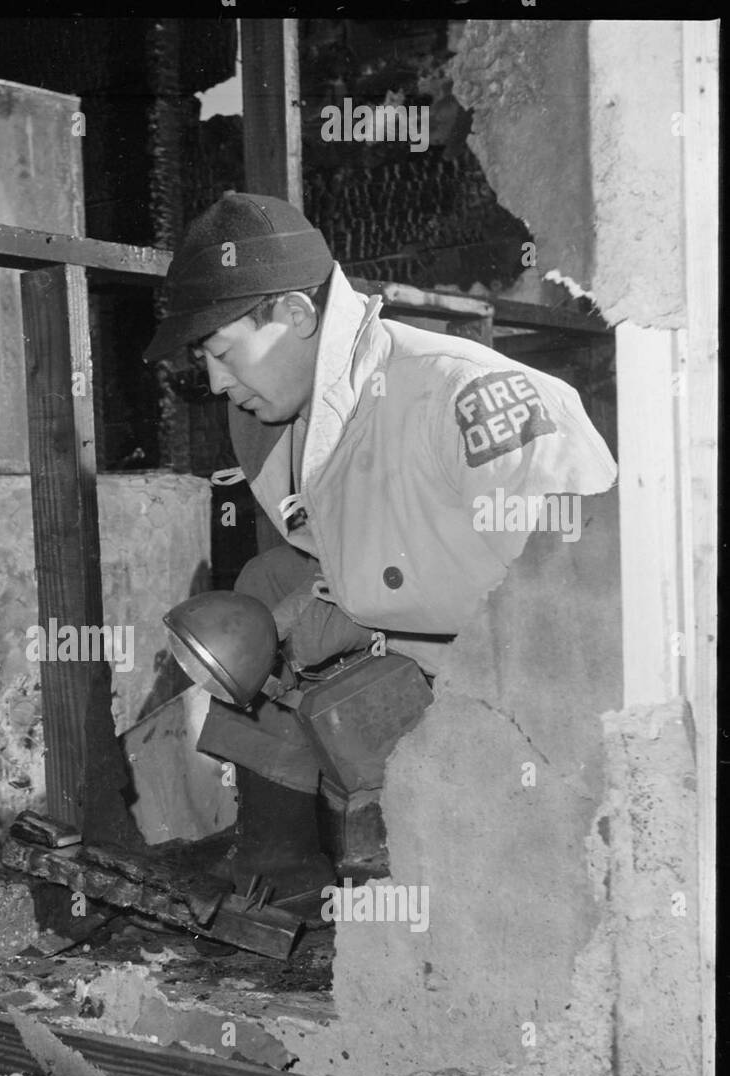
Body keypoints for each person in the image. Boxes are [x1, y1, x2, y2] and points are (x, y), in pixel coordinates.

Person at [144, 192, 618, 883]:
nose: (216, 381)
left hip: (535, 698)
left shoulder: (469, 398)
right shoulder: (276, 427)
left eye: (222, 351)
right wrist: (312, 611)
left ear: (296, 314)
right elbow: (344, 548)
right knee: (267, 586)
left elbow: (587, 616)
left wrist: (390, 643)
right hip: (428, 642)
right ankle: (281, 870)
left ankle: (480, 863)